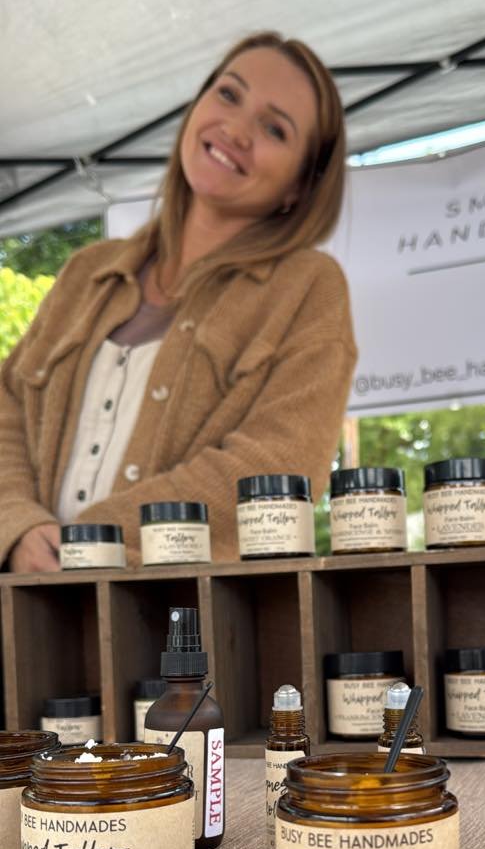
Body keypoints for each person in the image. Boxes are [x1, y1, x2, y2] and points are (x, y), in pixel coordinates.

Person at [0, 31, 357, 571]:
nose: (236, 129)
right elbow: (6, 410)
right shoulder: (85, 273)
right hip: (31, 622)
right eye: (229, 95)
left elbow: (277, 464)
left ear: (300, 188)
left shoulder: (308, 288)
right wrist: (18, 525)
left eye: (274, 128)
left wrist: (85, 546)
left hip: (184, 626)